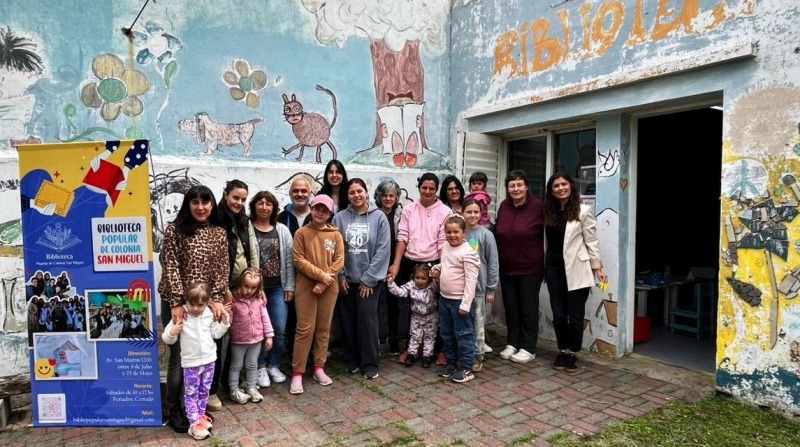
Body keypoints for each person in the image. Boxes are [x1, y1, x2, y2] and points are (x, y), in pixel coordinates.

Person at [158, 185, 229, 433]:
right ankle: (174, 409)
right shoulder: (174, 230)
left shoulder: (219, 233)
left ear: (212, 205)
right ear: (188, 205)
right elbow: (170, 266)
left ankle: (196, 407)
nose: (201, 207)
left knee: (204, 355)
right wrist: (177, 302)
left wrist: (218, 298)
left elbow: (222, 268)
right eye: (195, 202)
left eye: (205, 202)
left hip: (206, 305)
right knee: (179, 358)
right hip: (178, 304)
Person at [543, 173, 608, 373]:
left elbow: (592, 241)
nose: (560, 188)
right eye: (556, 186)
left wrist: (598, 268)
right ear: (551, 190)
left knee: (575, 315)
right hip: (553, 268)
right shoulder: (549, 211)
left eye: (564, 184)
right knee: (559, 313)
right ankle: (562, 350)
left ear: (571, 186)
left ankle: (572, 353)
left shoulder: (583, 211)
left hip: (577, 268)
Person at [387, 173, 451, 359]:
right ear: (419, 188)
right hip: (410, 263)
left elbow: (442, 243)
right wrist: (396, 264)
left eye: (432, 188)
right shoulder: (409, 209)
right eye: (424, 188)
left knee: (435, 307)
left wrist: (441, 268)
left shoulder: (445, 211)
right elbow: (403, 237)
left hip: (433, 265)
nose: (428, 191)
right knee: (410, 306)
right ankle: (410, 347)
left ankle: (439, 349)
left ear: (436, 189)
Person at [333, 178, 391, 380]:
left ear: (366, 193)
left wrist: (368, 279)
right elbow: (335, 251)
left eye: (359, 191)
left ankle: (369, 363)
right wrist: (340, 275)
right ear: (347, 196)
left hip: (370, 282)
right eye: (352, 193)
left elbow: (383, 250)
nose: (356, 195)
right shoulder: (339, 218)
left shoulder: (379, 218)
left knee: (367, 321)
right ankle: (352, 358)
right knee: (348, 321)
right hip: (347, 280)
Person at [289, 194, 344, 395]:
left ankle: (319, 367)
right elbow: (299, 260)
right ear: (311, 209)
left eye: (325, 210)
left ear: (330, 213)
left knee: (323, 328)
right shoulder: (302, 233)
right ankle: (297, 372)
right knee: (304, 329)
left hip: (329, 288)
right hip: (306, 288)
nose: (320, 213)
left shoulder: (335, 234)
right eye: (317, 208)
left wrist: (325, 281)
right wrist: (321, 276)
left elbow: (339, 260)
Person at [162, 282, 230, 441]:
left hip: (209, 361)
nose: (195, 308)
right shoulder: (182, 314)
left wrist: (225, 323)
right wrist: (172, 332)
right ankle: (193, 424)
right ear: (186, 299)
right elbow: (167, 338)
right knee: (191, 393)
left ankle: (200, 416)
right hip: (191, 364)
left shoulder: (208, 313)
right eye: (192, 304)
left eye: (200, 305)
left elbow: (216, 334)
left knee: (204, 391)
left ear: (207, 302)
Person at [216, 179, 259, 409]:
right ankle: (217, 385)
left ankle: (231, 380)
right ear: (225, 195)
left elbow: (252, 249)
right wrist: (223, 290)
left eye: (243, 199)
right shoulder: (215, 218)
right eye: (235, 197)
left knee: (240, 335)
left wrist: (255, 279)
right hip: (223, 288)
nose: (239, 202)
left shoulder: (245, 220)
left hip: (244, 287)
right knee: (221, 337)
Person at [495, 170, 544, 364]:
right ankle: (512, 343)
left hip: (530, 267)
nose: (516, 189)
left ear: (526, 187)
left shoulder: (538, 206)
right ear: (507, 188)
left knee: (528, 309)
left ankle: (528, 347)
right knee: (511, 307)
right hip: (507, 267)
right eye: (512, 185)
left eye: (519, 185)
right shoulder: (504, 206)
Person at [249, 190, 295, 388]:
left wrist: (290, 286)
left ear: (274, 207)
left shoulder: (282, 229)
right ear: (255, 206)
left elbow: (290, 260)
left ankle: (273, 364)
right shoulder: (248, 228)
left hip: (278, 287)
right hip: (255, 290)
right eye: (260, 203)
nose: (264, 207)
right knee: (257, 331)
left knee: (279, 328)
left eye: (268, 203)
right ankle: (259, 367)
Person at [432, 215, 480, 383]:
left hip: (460, 302)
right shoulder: (445, 247)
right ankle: (451, 362)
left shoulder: (468, 253)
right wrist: (437, 269)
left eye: (456, 232)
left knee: (464, 334)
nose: (452, 235)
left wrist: (466, 304)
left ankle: (467, 367)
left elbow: (471, 280)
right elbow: (446, 265)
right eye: (448, 232)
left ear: (464, 233)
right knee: (447, 333)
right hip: (445, 299)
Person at [226, 268, 274, 404]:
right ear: (240, 283)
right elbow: (229, 321)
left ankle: (252, 387)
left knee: (252, 364)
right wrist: (227, 313)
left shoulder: (259, 301)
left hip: (256, 340)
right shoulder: (234, 301)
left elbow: (266, 319)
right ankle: (234, 390)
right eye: (246, 286)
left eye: (253, 288)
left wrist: (269, 336)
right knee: (236, 365)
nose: (249, 290)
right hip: (238, 341)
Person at [277, 175, 314, 354]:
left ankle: (312, 354)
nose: (300, 194)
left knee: (311, 318)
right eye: (296, 191)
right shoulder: (280, 218)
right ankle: (294, 354)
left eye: (304, 191)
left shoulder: (319, 215)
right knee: (291, 318)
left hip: (313, 278)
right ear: (290, 194)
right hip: (288, 278)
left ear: (310, 193)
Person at [463, 199, 499, 372]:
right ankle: (463, 353)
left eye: (476, 212)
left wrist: (491, 288)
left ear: (481, 213)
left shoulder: (486, 235)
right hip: (459, 290)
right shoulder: (459, 232)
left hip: (478, 290)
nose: (472, 215)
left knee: (478, 324)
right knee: (463, 324)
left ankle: (478, 356)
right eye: (469, 212)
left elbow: (493, 262)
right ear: (462, 213)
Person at [387, 263, 439, 368]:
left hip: (431, 316)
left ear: (428, 278)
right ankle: (412, 354)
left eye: (423, 278)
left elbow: (440, 286)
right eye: (417, 278)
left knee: (430, 336)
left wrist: (436, 277)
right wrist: (391, 283)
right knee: (415, 336)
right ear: (413, 277)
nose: (420, 281)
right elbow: (400, 292)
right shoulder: (411, 285)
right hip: (416, 317)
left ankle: (427, 356)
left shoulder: (432, 285)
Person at [373, 179, 402, 348]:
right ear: (379, 196)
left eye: (392, 195)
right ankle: (376, 338)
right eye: (385, 195)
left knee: (394, 302)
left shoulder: (401, 213)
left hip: (395, 264)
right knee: (376, 303)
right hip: (377, 263)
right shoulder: (373, 213)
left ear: (397, 197)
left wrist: (396, 264)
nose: (388, 198)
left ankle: (394, 340)